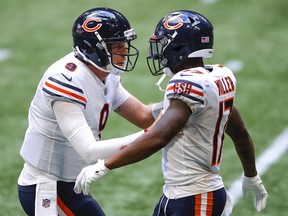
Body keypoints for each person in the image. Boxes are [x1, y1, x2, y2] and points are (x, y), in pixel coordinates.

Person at [74, 10, 268, 216]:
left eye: (164, 43)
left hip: (197, 196)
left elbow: (160, 136)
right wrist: (251, 175)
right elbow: (240, 133)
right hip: (178, 194)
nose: (159, 50)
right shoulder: (216, 77)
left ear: (179, 47)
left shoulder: (188, 83)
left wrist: (105, 165)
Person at [17, 7, 162, 216]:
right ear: (92, 48)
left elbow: (143, 116)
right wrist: (153, 134)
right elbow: (89, 150)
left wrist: (177, 105)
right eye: (117, 46)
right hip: (46, 185)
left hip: (68, 184)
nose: (124, 51)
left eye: (125, 44)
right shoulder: (66, 79)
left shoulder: (105, 74)